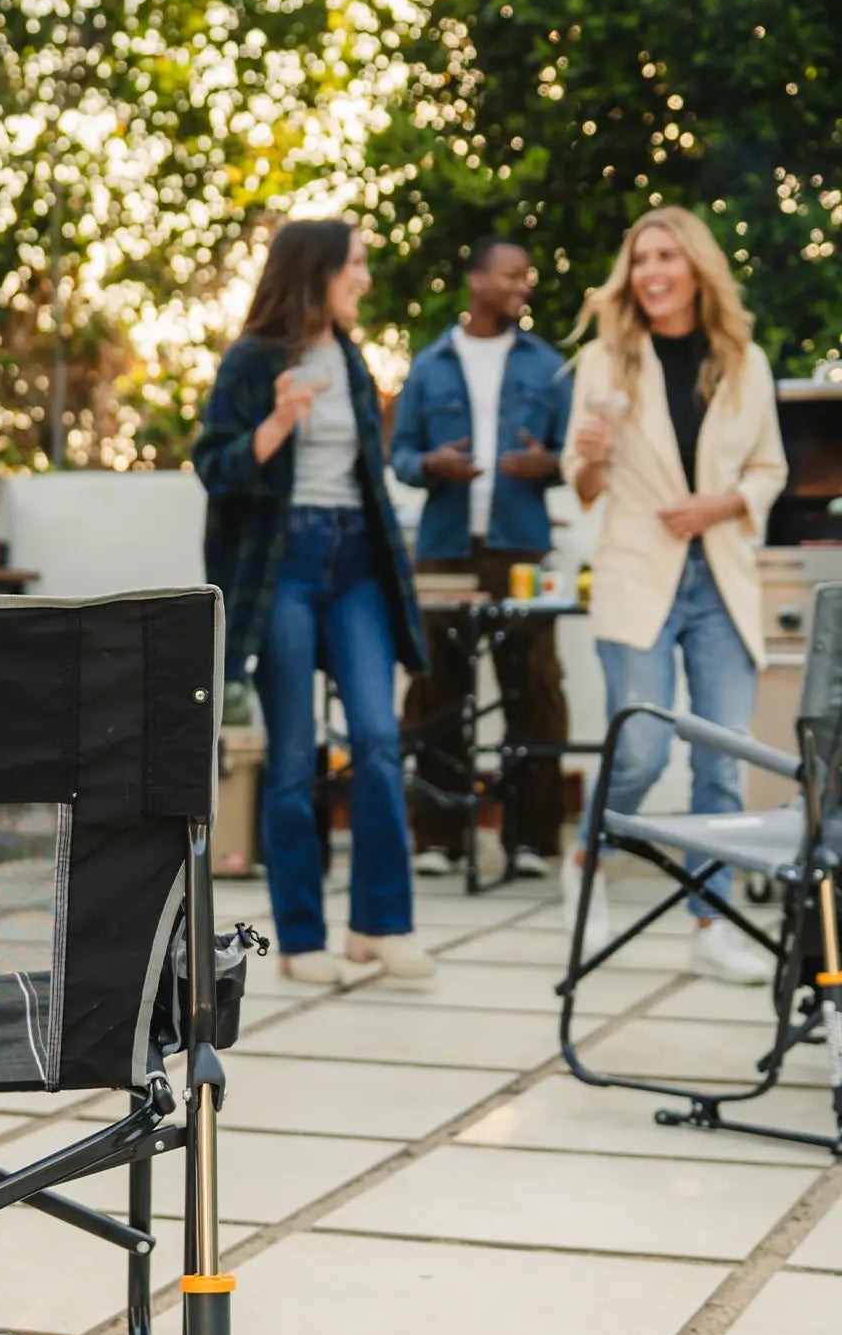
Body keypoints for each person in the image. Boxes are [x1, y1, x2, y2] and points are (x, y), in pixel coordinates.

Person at [193, 220, 436, 983]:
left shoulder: (355, 360)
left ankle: (380, 926)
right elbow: (214, 467)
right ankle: (301, 941)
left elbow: (371, 476)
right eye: (357, 265)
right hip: (283, 564)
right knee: (293, 759)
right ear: (319, 271)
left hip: (357, 558)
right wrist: (277, 422)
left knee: (377, 739)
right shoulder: (251, 360)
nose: (365, 278)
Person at [559, 206, 787, 981]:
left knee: (721, 759)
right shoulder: (605, 360)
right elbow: (584, 485)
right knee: (643, 750)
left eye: (667, 256)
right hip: (638, 569)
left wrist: (715, 507)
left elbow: (769, 470)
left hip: (719, 572)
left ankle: (710, 923)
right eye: (641, 258)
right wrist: (591, 455)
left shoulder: (742, 360)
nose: (653, 270)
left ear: (695, 268)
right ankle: (585, 873)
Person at [391, 236, 573, 878]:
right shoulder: (430, 365)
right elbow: (401, 457)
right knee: (437, 687)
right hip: (444, 552)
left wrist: (548, 464)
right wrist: (432, 465)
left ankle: (532, 841)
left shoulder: (549, 366)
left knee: (535, 688)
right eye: (510, 275)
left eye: (528, 277)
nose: (522, 286)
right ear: (475, 280)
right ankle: (439, 839)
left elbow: (575, 456)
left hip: (521, 546)